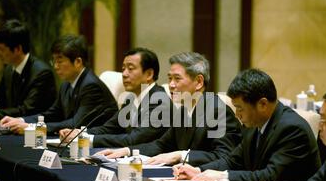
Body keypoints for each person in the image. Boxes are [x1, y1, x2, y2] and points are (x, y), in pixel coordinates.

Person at [173, 68, 321, 181]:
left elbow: (270, 176)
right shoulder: (254, 123)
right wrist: (198, 171)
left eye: (240, 108)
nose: (237, 114)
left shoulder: (292, 129)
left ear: (262, 104)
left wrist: (222, 176)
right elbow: (233, 160)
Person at [98, 52, 241, 166]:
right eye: (169, 78)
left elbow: (223, 156)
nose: (171, 85)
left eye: (177, 79)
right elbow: (161, 145)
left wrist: (181, 155)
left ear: (198, 82)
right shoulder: (183, 109)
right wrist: (127, 151)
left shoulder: (217, 110)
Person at [0, 34, 118, 134]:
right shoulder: (67, 83)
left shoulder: (91, 86)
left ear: (78, 62)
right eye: (54, 61)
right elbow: (53, 114)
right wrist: (22, 121)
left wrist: (33, 128)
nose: (55, 66)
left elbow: (75, 123)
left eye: (60, 61)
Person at [59, 47, 171, 147]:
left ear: (149, 74)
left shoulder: (159, 101)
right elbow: (109, 128)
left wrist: (89, 139)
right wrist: (80, 133)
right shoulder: (131, 99)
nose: (124, 74)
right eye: (123, 69)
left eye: (130, 69)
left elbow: (134, 139)